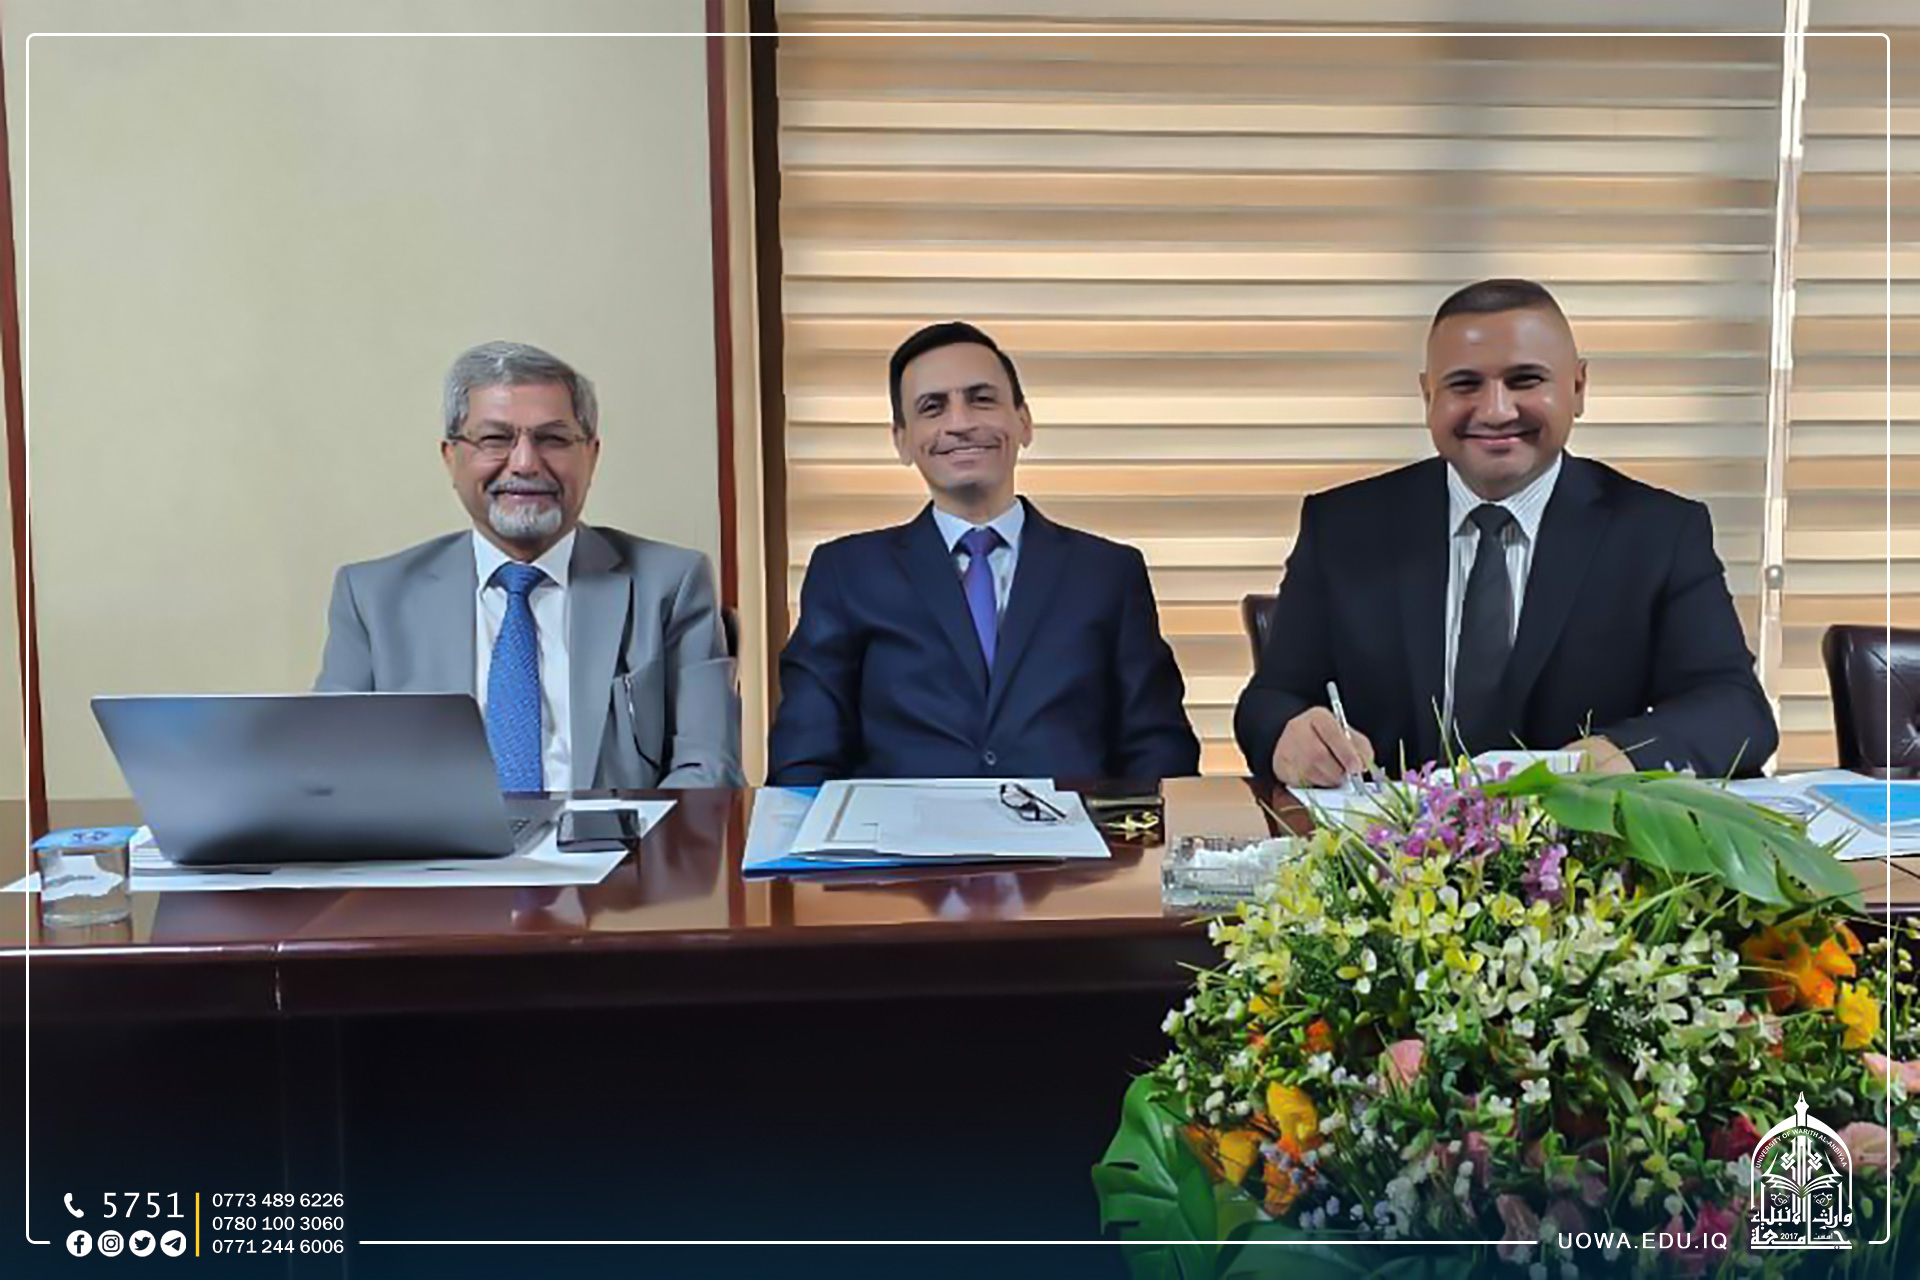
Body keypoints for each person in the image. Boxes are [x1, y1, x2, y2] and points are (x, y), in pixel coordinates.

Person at [1235, 279, 1776, 787]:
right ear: (1428, 395)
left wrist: (1617, 755)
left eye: (1525, 380)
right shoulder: (1343, 526)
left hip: (1584, 843)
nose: (1495, 411)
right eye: (1464, 384)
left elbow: (1735, 709)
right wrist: (1289, 735)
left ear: (1578, 387)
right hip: (1390, 844)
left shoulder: (1658, 532)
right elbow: (1272, 698)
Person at [767, 321, 1200, 784]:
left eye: (982, 399)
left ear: (1024, 422)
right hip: (901, 831)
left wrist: (1130, 832)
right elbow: (804, 759)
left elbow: (1159, 752)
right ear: (902, 440)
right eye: (932, 407)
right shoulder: (847, 573)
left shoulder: (1108, 572)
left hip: (1075, 830)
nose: (960, 423)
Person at [316, 341, 741, 790]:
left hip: (617, 837)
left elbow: (708, 769)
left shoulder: (671, 584)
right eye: (495, 439)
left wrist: (634, 839)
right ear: (451, 457)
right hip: (434, 837)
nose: (524, 463)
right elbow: (330, 771)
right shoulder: (373, 598)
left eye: (553, 439)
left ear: (591, 455)